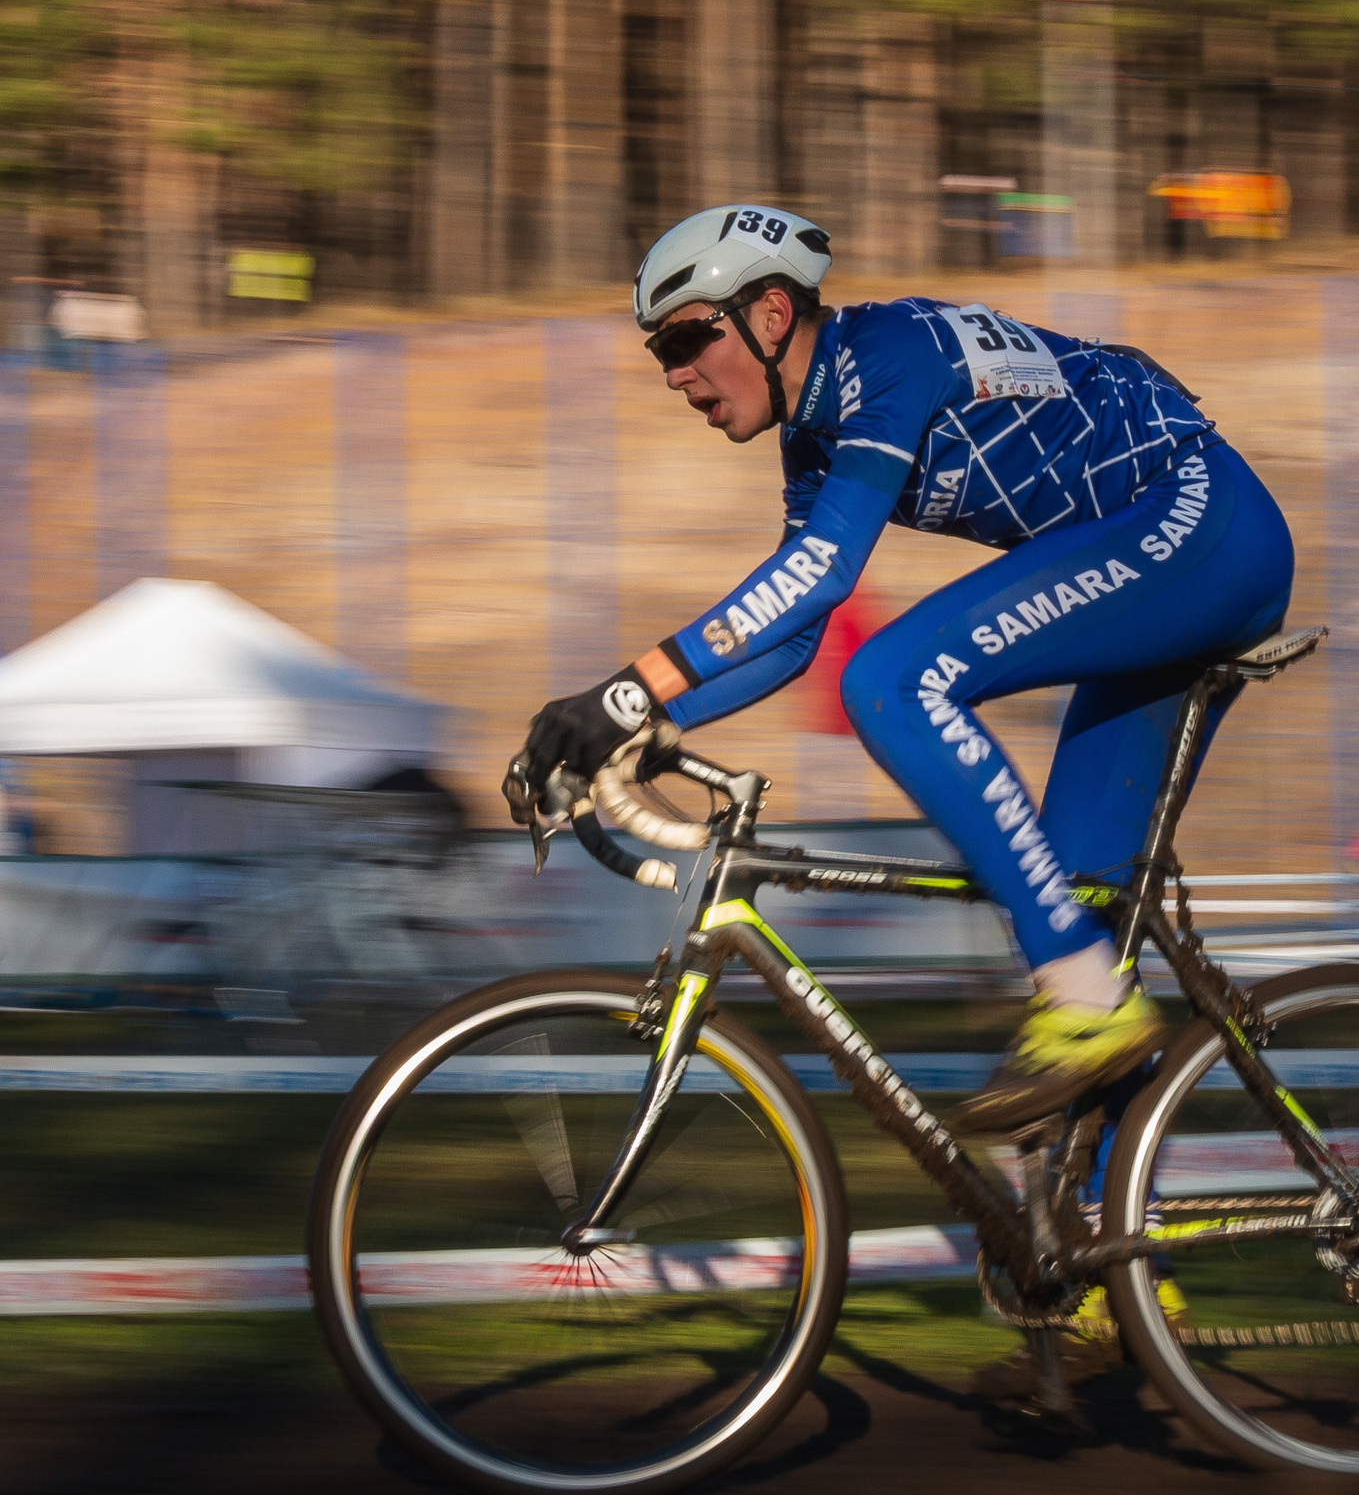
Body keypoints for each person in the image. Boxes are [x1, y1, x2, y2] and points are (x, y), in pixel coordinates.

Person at [515, 203, 1294, 1136]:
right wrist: (649, 728)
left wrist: (628, 691)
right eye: (660, 353)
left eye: (686, 339)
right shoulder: (814, 435)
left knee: (892, 681)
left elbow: (822, 571)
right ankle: (1106, 1222)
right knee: (1061, 904)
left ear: (771, 316)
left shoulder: (887, 356)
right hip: (1149, 567)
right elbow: (796, 634)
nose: (675, 374)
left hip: (1202, 524)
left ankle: (1089, 1002)